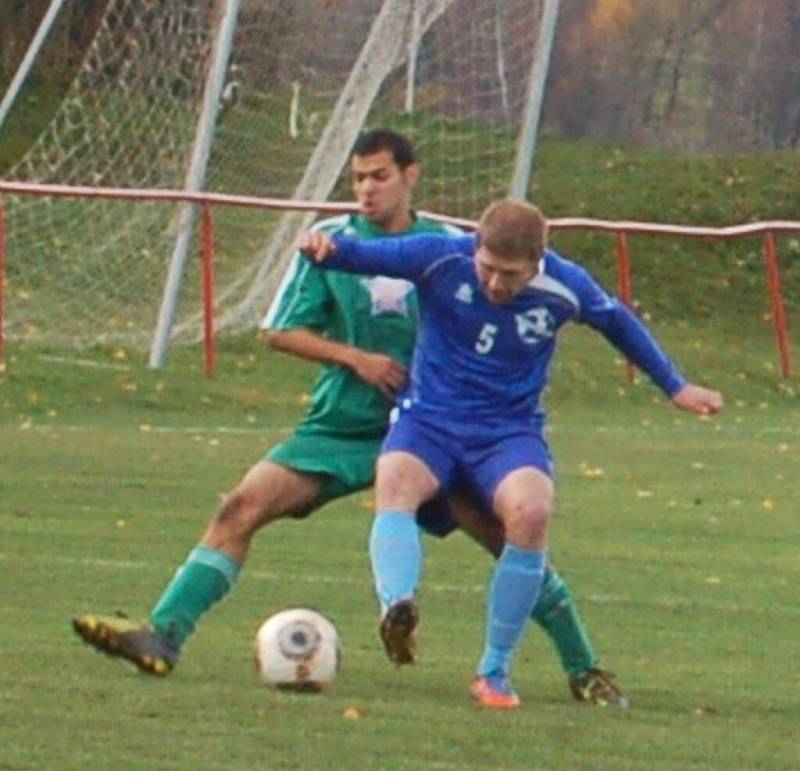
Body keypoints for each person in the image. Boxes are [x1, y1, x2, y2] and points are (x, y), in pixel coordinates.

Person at [73, 129, 627, 707]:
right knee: (241, 506)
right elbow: (277, 331)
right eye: (358, 178)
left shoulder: (452, 250)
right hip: (344, 425)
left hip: (435, 433)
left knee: (511, 536)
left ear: (411, 177)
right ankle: (164, 634)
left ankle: (583, 666)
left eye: (379, 176)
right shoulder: (331, 243)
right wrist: (355, 358)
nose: (366, 189)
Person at [298, 197, 723, 709]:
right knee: (395, 482)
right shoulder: (440, 256)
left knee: (532, 513)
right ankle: (398, 608)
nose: (496, 284)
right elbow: (365, 256)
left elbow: (619, 324)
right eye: (488, 269)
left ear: (538, 261)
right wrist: (325, 248)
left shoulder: (567, 284)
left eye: (511, 275)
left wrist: (675, 386)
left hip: (507, 432)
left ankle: (493, 672)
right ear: (474, 247)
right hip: (429, 421)